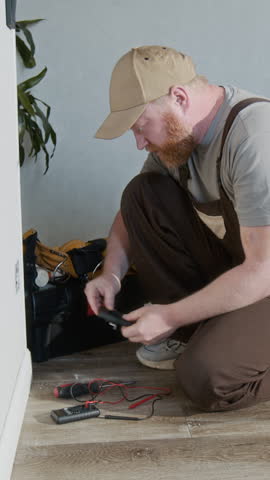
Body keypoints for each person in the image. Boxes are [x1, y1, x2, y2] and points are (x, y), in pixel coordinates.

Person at [85, 45, 270, 412]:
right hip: (248, 269)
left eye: (141, 128)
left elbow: (262, 271)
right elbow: (130, 213)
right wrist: (112, 275)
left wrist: (169, 314)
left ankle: (202, 341)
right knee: (140, 194)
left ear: (180, 98)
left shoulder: (254, 136)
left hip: (264, 273)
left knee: (207, 378)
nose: (140, 144)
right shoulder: (177, 142)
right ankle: (196, 334)